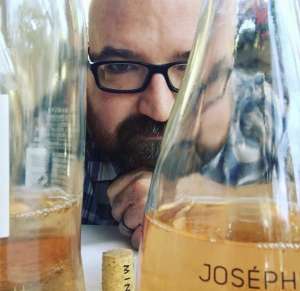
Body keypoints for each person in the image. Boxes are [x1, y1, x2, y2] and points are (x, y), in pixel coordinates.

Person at [82, 0, 200, 249]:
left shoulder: (267, 120)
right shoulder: (33, 141)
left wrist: (206, 202)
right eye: (121, 67)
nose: (160, 110)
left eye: (190, 66)